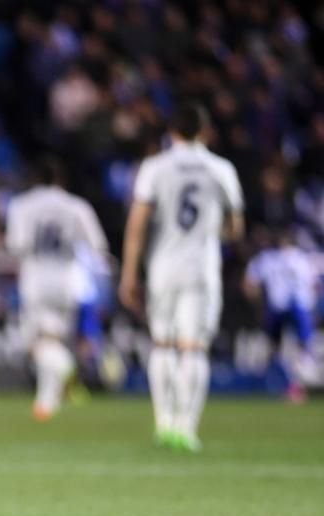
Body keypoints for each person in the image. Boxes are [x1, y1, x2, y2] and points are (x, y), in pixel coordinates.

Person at [119, 103, 245, 452]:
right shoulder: (221, 169)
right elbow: (235, 228)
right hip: (202, 267)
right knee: (194, 348)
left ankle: (163, 422)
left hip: (163, 267)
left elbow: (137, 224)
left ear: (171, 132)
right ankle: (186, 428)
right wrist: (211, 231)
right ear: (204, 132)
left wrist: (129, 272)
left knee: (162, 343)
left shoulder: (155, 168)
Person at [5, 161, 109, 419]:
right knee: (52, 340)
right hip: (67, 281)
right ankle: (45, 403)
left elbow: (15, 246)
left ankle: (66, 366)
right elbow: (98, 245)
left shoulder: (21, 205)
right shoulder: (76, 206)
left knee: (36, 344)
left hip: (36, 280)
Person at [243, 232, 320, 402]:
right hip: (299, 307)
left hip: (279, 308)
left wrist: (258, 305)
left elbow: (250, 284)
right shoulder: (302, 258)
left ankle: (289, 385)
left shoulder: (267, 258)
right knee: (300, 350)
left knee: (277, 350)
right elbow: (314, 285)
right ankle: (296, 386)